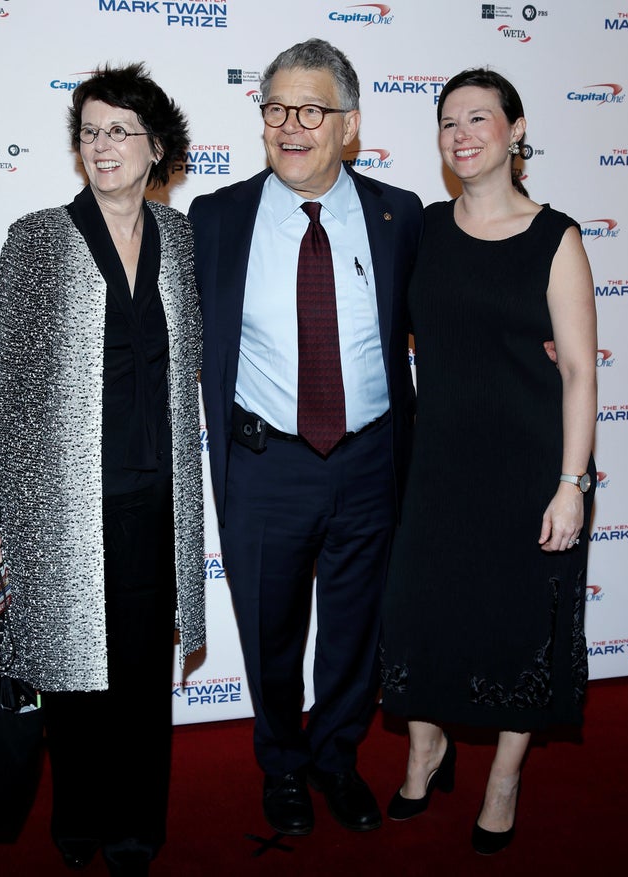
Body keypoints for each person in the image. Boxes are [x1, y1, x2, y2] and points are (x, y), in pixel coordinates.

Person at [0, 63, 204, 877]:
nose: (103, 146)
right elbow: (4, 379)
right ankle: (79, 817)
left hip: (154, 497)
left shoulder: (181, 241)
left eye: (121, 130)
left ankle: (136, 826)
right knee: (72, 679)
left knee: (141, 677)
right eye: (91, 130)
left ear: (155, 147)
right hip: (63, 502)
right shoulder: (36, 237)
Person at [188, 38, 422, 836]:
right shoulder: (215, 218)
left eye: (312, 109)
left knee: (356, 628)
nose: (291, 126)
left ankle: (336, 757)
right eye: (277, 108)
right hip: (265, 463)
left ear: (349, 124)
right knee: (270, 628)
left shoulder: (401, 215)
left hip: (369, 460)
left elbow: (447, 319)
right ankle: (282, 763)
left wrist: (531, 342)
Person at [379, 68, 597, 854]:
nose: (461, 134)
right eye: (447, 122)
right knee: (421, 613)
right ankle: (426, 746)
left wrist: (571, 484)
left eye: (478, 118)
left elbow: (577, 369)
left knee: (515, 626)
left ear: (515, 129)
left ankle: (504, 774)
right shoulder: (424, 229)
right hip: (437, 465)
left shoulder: (557, 235)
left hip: (532, 466)